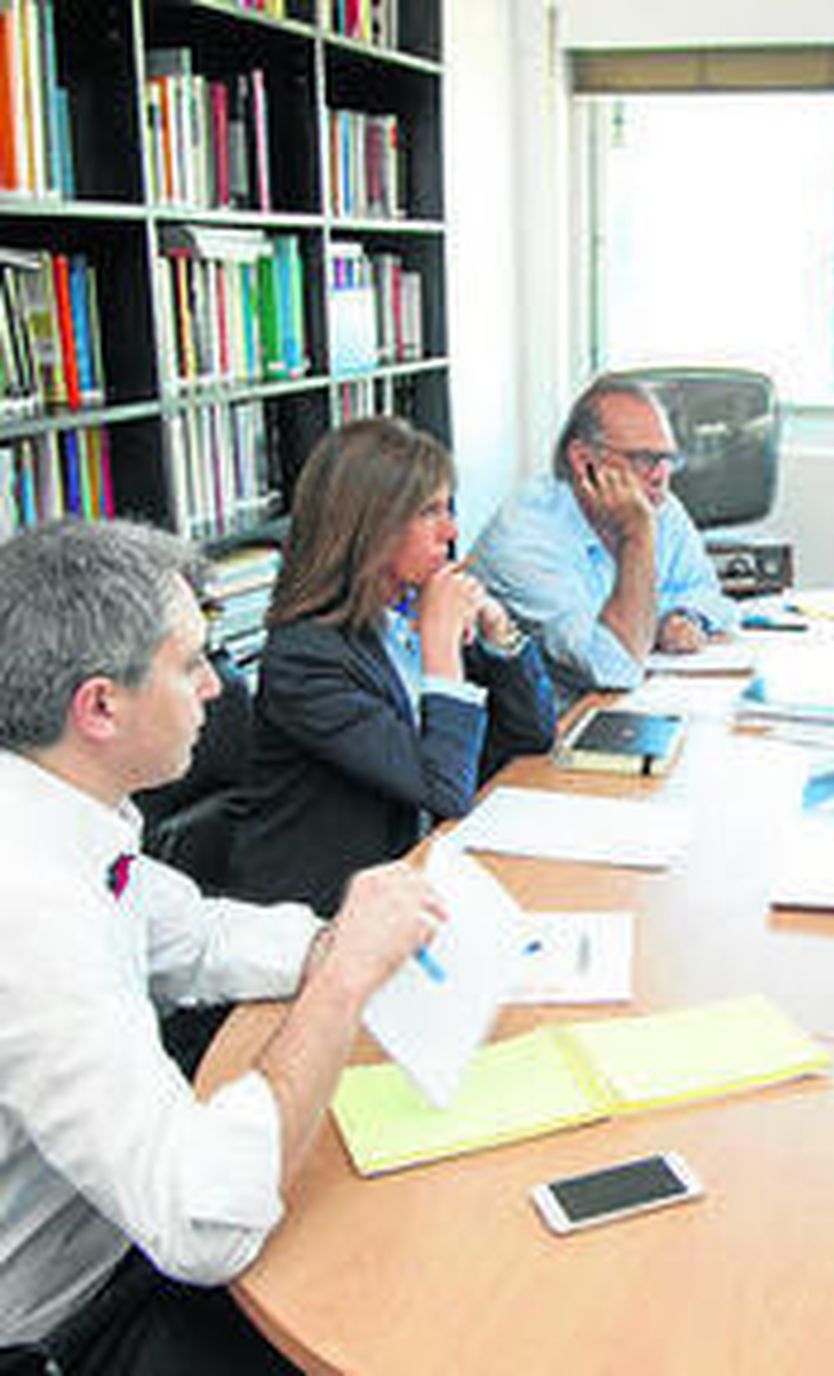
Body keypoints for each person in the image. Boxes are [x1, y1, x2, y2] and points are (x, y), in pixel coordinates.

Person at [0, 518, 443, 1372]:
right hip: (66, 1324)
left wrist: (338, 939)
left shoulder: (65, 813)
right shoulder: (31, 910)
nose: (216, 687)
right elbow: (201, 1221)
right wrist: (343, 979)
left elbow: (197, 935)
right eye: (191, 661)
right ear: (99, 706)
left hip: (117, 1237)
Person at [232, 417, 557, 914]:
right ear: (369, 527)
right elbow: (444, 791)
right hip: (323, 920)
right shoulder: (304, 658)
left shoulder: (405, 615)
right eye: (430, 512)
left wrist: (497, 628)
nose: (451, 531)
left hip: (417, 880)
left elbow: (533, 734)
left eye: (448, 508)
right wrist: (441, 647)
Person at [468, 375, 737, 707]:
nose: (660, 477)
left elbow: (710, 595)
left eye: (667, 460)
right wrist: (637, 536)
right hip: (548, 737)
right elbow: (614, 667)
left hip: (628, 707)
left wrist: (684, 616)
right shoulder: (524, 540)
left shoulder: (660, 505)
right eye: (643, 459)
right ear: (584, 462)